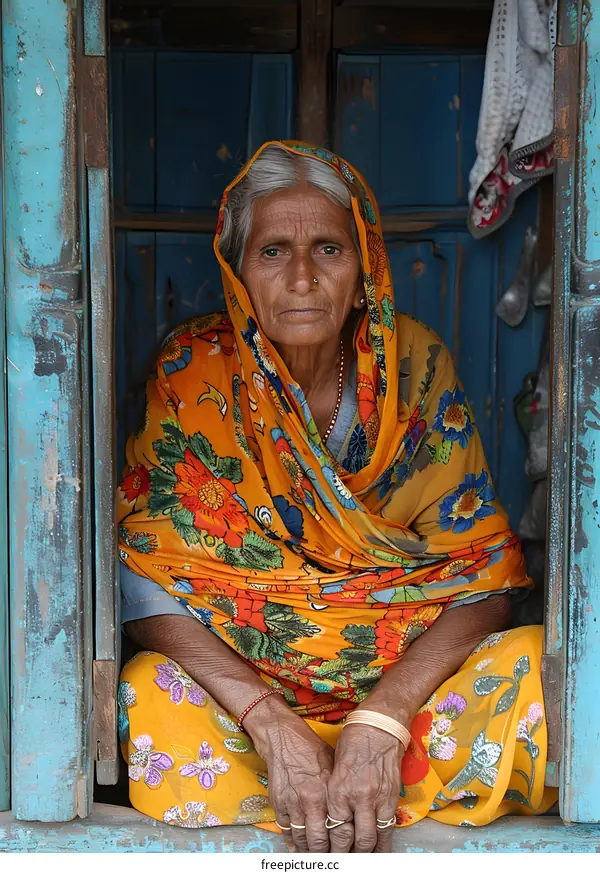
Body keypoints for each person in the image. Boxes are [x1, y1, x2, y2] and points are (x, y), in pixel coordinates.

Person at [117, 141, 557, 852]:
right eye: (271, 253)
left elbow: (484, 575)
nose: (300, 277)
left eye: (327, 249)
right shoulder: (192, 374)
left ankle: (347, 800)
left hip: (404, 708)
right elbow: (147, 577)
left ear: (363, 273)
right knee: (151, 698)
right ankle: (335, 808)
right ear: (237, 273)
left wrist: (382, 718)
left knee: (540, 671)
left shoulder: (412, 366)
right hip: (250, 711)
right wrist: (270, 720)